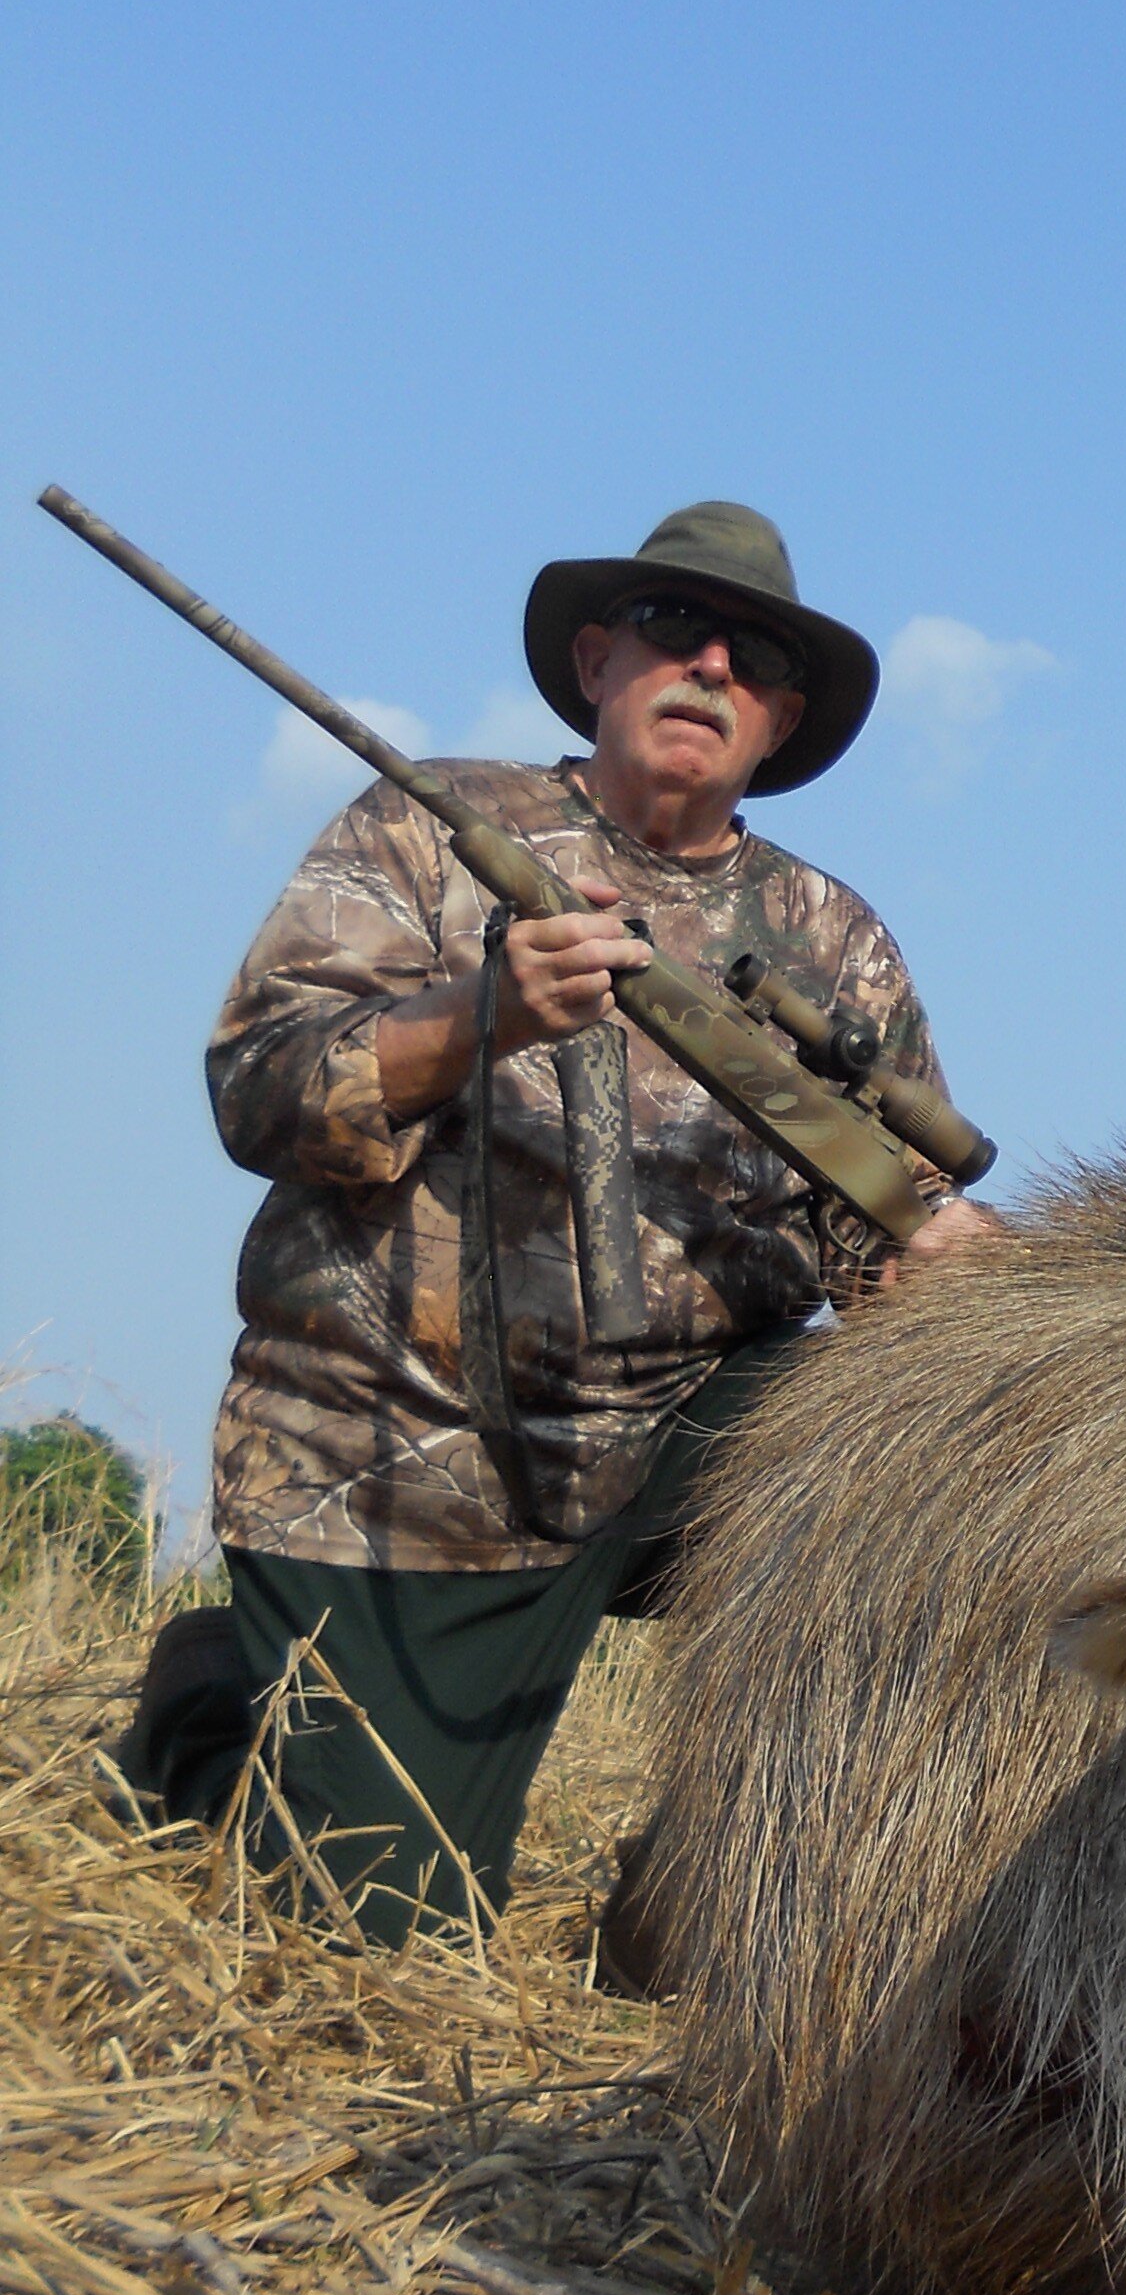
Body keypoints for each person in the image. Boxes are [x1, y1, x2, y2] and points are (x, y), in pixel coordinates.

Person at [120, 500, 996, 1942]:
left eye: (758, 653)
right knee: (372, 1939)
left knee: (957, 1476)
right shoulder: (419, 828)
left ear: (782, 717)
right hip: (410, 1454)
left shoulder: (834, 938)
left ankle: (704, 1900)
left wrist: (950, 1273)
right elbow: (256, 1092)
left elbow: (886, 1235)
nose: (713, 662)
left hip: (683, 1439)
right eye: (674, 628)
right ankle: (224, 1707)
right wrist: (482, 1015)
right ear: (597, 660)